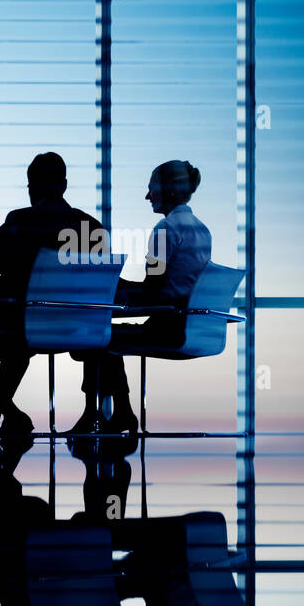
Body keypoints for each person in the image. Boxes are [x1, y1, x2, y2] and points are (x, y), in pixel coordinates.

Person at [0, 152, 106, 439]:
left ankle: (4, 413)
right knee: (18, 338)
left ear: (31, 187)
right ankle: (1, 414)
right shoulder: (93, 227)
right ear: (65, 185)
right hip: (79, 329)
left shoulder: (22, 220)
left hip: (21, 325)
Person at [69, 160, 211, 434]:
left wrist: (112, 283)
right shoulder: (202, 230)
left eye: (151, 189)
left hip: (167, 327)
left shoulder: (165, 229)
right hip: (190, 326)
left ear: (168, 190)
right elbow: (167, 285)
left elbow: (152, 291)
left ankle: (97, 414)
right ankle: (121, 412)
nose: (148, 197)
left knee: (94, 337)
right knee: (104, 337)